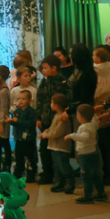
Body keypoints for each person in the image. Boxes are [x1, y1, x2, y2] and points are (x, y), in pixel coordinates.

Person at [35, 55, 69, 185]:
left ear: (54, 68)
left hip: (58, 120)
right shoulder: (44, 82)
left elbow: (68, 99)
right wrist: (38, 117)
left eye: (45, 68)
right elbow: (39, 100)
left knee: (57, 150)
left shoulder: (63, 82)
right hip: (45, 119)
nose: (43, 70)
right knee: (44, 148)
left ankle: (60, 175)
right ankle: (47, 173)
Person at [65, 104, 106, 204]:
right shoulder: (93, 124)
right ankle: (101, 193)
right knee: (96, 174)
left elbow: (84, 138)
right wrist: (94, 113)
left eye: (77, 114)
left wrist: (72, 136)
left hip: (85, 155)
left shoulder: (85, 127)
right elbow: (95, 120)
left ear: (81, 117)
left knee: (85, 175)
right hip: (93, 153)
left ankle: (87, 195)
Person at [92, 45, 110, 185]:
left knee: (104, 143)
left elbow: (99, 90)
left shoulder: (96, 70)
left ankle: (109, 174)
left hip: (101, 108)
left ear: (99, 57)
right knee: (107, 141)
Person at [38, 93, 73, 194]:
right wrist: (46, 131)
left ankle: (69, 182)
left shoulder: (62, 118)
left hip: (61, 146)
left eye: (51, 102)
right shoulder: (56, 116)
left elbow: (57, 132)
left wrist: (46, 135)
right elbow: (52, 128)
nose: (50, 104)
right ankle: (59, 182)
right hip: (54, 146)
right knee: (56, 166)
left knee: (63, 165)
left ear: (56, 105)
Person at [7, 89, 38, 182]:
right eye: (19, 99)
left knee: (29, 157)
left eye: (23, 99)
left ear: (29, 100)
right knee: (19, 156)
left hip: (28, 139)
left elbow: (30, 124)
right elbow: (16, 123)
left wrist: (18, 121)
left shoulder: (31, 111)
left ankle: (31, 174)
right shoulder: (17, 111)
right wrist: (11, 121)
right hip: (19, 138)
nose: (21, 101)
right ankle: (18, 172)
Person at [66, 44, 97, 117]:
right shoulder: (78, 70)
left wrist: (69, 111)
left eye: (71, 54)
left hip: (82, 112)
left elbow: (85, 99)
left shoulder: (87, 74)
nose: (69, 56)